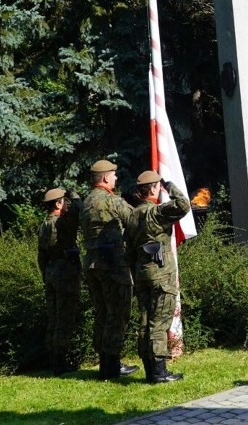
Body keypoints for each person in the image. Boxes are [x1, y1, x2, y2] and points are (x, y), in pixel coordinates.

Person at [126, 170, 191, 383]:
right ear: (154, 189)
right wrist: (169, 185)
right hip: (161, 275)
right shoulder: (156, 213)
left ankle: (149, 369)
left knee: (145, 321)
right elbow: (183, 204)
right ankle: (159, 373)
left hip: (142, 273)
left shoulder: (133, 215)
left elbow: (128, 251)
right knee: (159, 323)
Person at [80, 159, 139, 379]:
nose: (116, 178)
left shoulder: (86, 202)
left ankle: (105, 362)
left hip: (93, 265)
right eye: (114, 175)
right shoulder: (111, 200)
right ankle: (112, 365)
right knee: (118, 313)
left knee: (102, 313)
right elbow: (135, 220)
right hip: (113, 265)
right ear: (105, 177)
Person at [37, 187, 82, 375]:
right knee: (64, 318)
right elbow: (79, 210)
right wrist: (74, 194)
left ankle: (53, 359)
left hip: (51, 271)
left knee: (54, 317)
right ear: (57, 203)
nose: (67, 204)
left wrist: (45, 274)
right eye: (64, 201)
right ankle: (60, 362)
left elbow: (41, 256)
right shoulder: (61, 223)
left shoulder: (44, 225)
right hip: (65, 272)